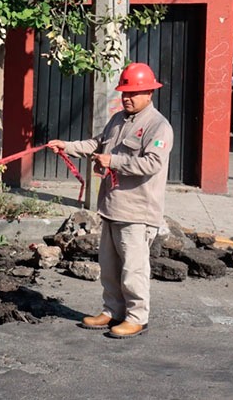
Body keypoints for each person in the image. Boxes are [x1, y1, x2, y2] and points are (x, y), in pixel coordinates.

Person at [46, 62, 174, 339]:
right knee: (110, 266)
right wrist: (66, 146)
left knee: (133, 269)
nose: (127, 97)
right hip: (113, 207)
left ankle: (137, 317)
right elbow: (96, 144)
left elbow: (151, 164)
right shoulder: (118, 120)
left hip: (138, 212)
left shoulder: (158, 126)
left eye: (134, 93)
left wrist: (113, 161)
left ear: (149, 93)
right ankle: (112, 310)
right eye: (125, 92)